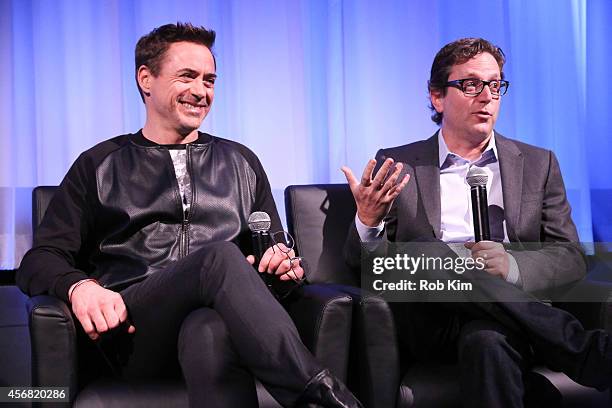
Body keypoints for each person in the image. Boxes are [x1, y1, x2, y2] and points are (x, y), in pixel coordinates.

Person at [17, 22, 362, 408]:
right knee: (219, 257)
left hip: (219, 330)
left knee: (210, 327)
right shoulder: (99, 164)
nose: (201, 91)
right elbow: (39, 259)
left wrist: (280, 273)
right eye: (188, 77)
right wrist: (79, 287)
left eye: (210, 80)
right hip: (134, 333)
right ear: (146, 79)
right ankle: (323, 397)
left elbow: (275, 263)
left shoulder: (241, 162)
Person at [342, 37, 611, 407]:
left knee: (487, 343)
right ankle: (582, 350)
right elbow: (366, 265)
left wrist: (513, 265)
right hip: (431, 321)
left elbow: (569, 256)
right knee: (426, 251)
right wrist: (368, 222)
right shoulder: (398, 163)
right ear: (437, 97)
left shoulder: (538, 163)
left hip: (512, 324)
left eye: (495, 85)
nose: (486, 96)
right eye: (470, 84)